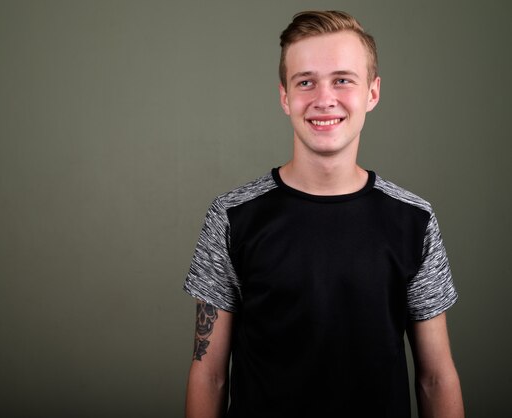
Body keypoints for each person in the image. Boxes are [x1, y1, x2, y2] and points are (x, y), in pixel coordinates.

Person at [183, 10, 464, 418]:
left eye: (343, 80)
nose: (323, 98)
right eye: (306, 82)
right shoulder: (232, 217)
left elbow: (436, 378)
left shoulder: (414, 220)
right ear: (285, 97)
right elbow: (209, 374)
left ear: (373, 92)